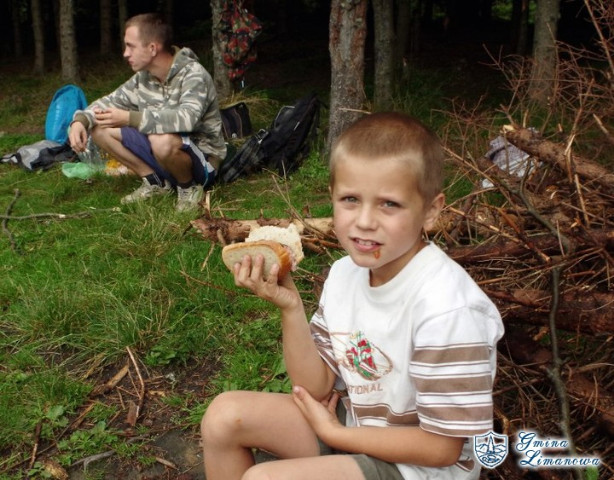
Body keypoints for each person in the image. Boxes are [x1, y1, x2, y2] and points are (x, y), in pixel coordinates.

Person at [201, 112, 504, 480]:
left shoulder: (448, 308)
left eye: (389, 204)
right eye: (350, 199)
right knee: (223, 416)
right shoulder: (345, 274)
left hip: (419, 468)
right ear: (332, 196)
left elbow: (443, 448)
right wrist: (291, 307)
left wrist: (336, 435)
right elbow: (315, 387)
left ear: (430, 211)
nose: (364, 221)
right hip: (357, 424)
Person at [68, 13, 226, 212]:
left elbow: (188, 119)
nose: (125, 54)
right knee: (100, 127)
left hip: (203, 161)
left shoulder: (193, 74)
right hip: (162, 150)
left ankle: (189, 188)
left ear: (152, 48)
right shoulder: (143, 78)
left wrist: (129, 118)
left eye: (131, 46)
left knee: (160, 139)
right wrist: (80, 121)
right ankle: (154, 182)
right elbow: (108, 102)